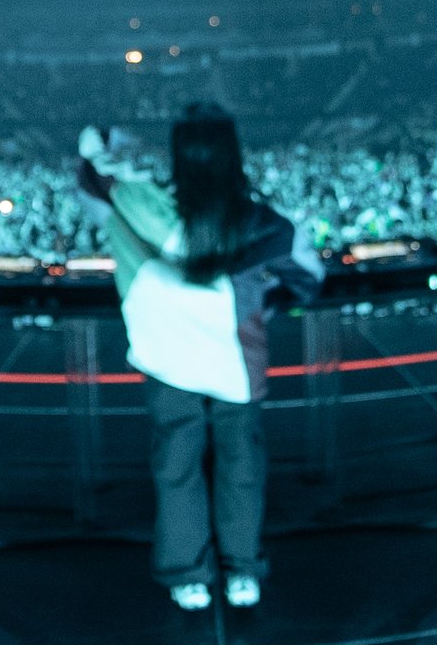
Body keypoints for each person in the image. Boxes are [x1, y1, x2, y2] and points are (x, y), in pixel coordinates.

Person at [77, 107, 321, 613]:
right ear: (234, 156)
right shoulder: (262, 224)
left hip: (165, 358)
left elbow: (92, 161)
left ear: (177, 157)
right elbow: (307, 279)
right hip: (237, 360)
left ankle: (188, 574)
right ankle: (242, 571)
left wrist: (122, 151)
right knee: (241, 466)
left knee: (176, 468)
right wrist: (262, 306)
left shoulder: (133, 204)